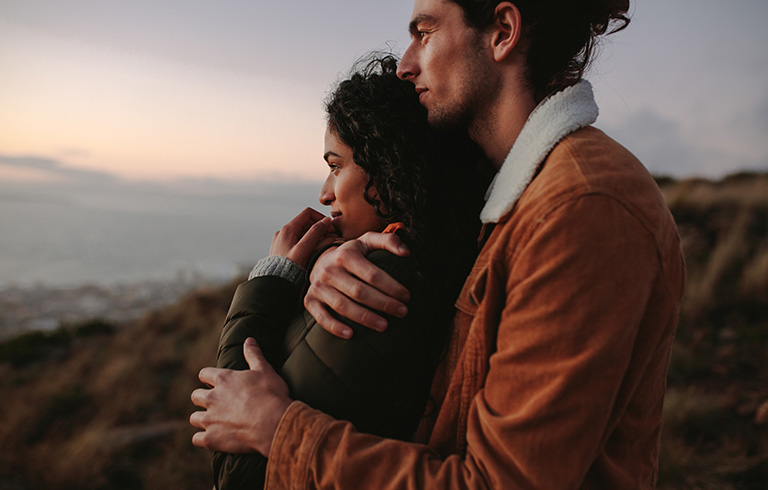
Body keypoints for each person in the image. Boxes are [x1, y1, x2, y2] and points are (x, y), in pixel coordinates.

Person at [191, 1, 686, 488]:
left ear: (502, 31)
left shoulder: (581, 209)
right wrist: (336, 255)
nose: (407, 65)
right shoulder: (511, 197)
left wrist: (280, 433)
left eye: (424, 33)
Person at [208, 55, 490, 489]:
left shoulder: (376, 280)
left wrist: (272, 277)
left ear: (390, 171)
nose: (324, 193)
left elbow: (235, 465)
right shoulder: (440, 256)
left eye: (335, 166)